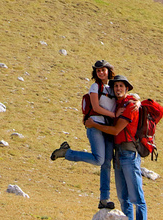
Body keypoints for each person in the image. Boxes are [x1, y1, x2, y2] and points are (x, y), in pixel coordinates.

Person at [86, 73, 148, 220]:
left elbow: (115, 131)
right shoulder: (120, 104)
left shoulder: (130, 106)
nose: (118, 89)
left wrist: (94, 125)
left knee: (137, 199)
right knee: (123, 198)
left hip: (129, 154)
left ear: (127, 88)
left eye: (121, 86)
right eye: (116, 86)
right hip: (118, 155)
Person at [50, 60, 116, 209]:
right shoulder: (95, 86)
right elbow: (96, 107)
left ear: (108, 71)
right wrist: (113, 115)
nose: (100, 73)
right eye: (98, 71)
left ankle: (104, 199)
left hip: (108, 128)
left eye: (103, 70)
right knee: (99, 160)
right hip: (95, 126)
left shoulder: (112, 87)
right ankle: (67, 153)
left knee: (106, 164)